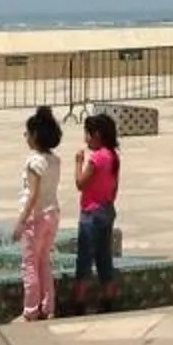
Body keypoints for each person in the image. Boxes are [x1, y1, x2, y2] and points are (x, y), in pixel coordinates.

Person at [15, 105, 62, 322]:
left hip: (37, 218)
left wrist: (21, 221)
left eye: (27, 133)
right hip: (52, 213)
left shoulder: (34, 162)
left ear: (35, 136)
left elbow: (33, 195)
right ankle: (47, 306)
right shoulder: (54, 160)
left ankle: (31, 310)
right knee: (44, 261)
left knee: (30, 264)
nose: (25, 136)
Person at [73, 111, 121, 295]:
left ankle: (80, 300)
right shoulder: (113, 156)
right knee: (104, 257)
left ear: (97, 135)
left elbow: (80, 183)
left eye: (87, 134)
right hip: (106, 209)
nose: (85, 139)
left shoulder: (96, 159)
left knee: (84, 259)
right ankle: (108, 297)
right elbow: (115, 186)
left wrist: (78, 162)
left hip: (91, 213)